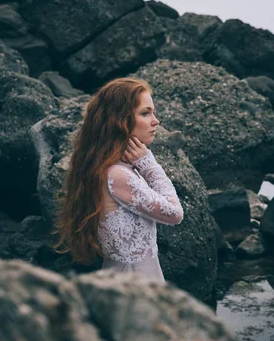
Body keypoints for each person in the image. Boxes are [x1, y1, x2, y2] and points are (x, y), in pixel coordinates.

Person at [53, 77, 184, 282]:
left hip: (129, 274)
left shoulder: (109, 167)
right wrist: (149, 164)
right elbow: (175, 214)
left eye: (153, 112)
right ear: (121, 120)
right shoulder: (118, 174)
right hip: (135, 279)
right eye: (145, 113)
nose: (155, 120)